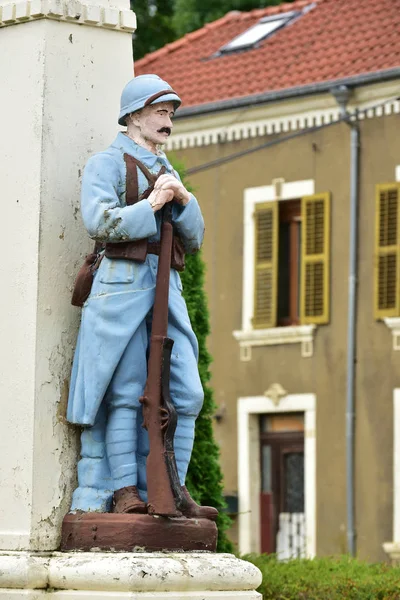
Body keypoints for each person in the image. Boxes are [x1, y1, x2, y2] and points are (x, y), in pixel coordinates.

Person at [67, 74, 217, 520]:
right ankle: (124, 490)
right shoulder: (107, 163)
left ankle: (174, 488)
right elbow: (98, 220)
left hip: (166, 291)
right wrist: (152, 204)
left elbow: (196, 238)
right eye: (159, 112)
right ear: (134, 116)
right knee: (126, 389)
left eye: (170, 113)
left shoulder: (168, 170)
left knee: (188, 392)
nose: (167, 120)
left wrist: (183, 198)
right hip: (122, 287)